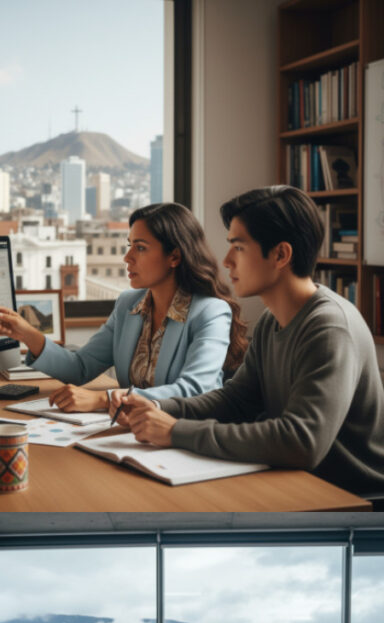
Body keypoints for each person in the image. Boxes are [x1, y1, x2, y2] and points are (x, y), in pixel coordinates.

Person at [120, 186, 384, 496]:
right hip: (297, 485)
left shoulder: (329, 328)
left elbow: (301, 442)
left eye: (238, 247)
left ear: (281, 254)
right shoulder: (274, 319)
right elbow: (236, 401)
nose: (227, 260)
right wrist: (156, 406)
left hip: (353, 504)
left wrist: (176, 431)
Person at [0, 203, 246, 416]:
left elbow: (195, 390)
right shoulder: (128, 304)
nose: (127, 257)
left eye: (140, 248)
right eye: (129, 245)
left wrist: (102, 399)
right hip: (134, 431)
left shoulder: (210, 312)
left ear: (174, 257)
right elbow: (80, 367)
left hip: (183, 434)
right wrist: (29, 334)